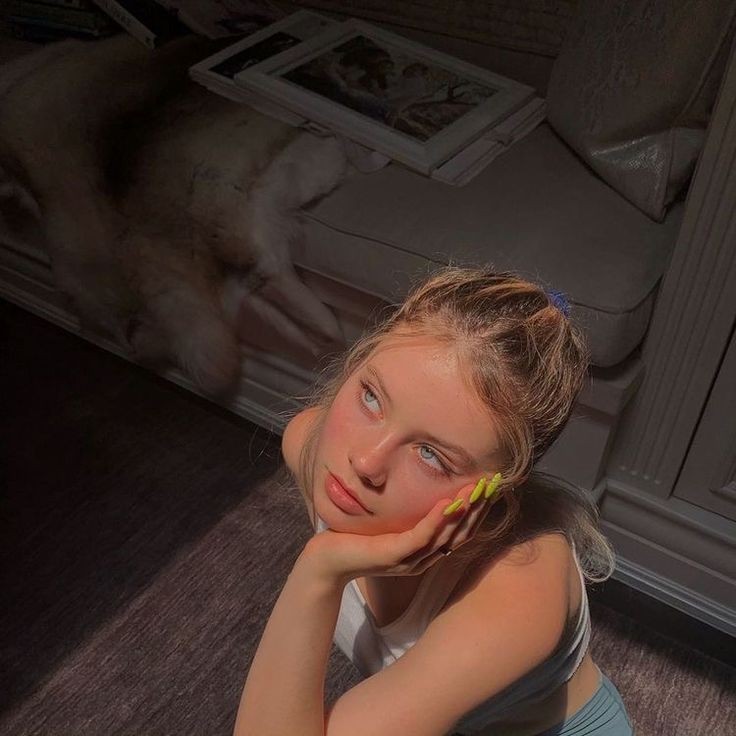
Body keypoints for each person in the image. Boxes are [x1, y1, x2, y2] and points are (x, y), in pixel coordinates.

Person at [233, 265, 635, 736]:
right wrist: (324, 567)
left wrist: (318, 569)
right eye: (371, 398)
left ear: (498, 490)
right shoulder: (311, 445)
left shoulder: (519, 591)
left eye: (431, 455)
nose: (365, 461)